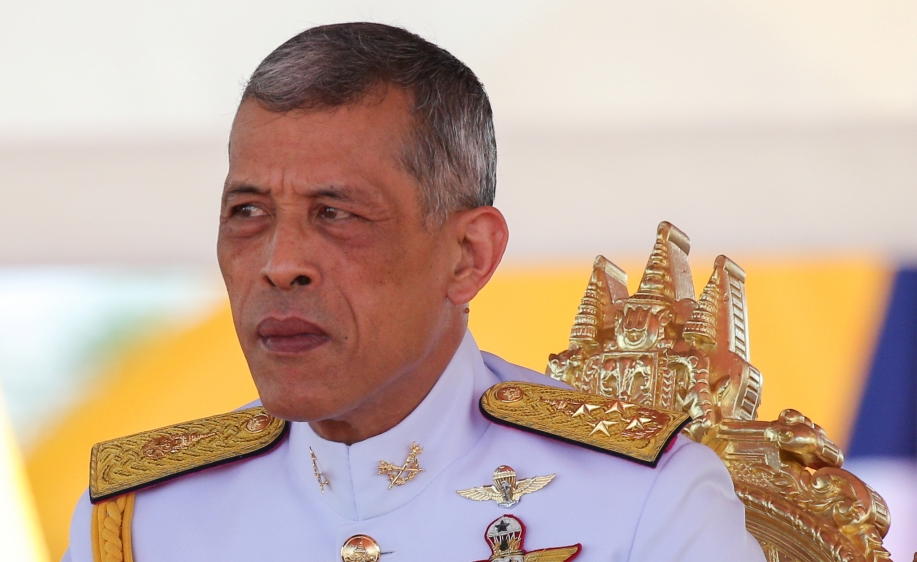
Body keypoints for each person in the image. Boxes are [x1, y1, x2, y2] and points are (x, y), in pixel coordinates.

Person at [65, 22, 765, 562]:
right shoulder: (145, 519)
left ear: (468, 256)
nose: (280, 265)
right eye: (247, 212)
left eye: (336, 214)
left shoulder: (643, 497)